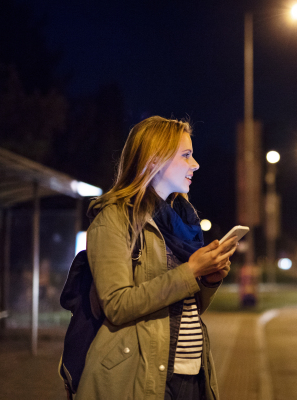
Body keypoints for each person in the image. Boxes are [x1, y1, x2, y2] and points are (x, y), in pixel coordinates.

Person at [75, 116, 237, 400]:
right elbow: (117, 305)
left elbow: (187, 307)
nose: (195, 164)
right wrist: (190, 272)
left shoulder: (182, 221)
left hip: (192, 374)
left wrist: (209, 279)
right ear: (154, 161)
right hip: (142, 375)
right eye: (186, 155)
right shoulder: (113, 219)